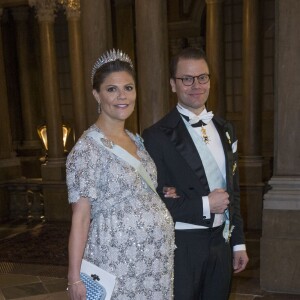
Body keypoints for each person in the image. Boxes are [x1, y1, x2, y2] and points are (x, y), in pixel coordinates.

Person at [66, 49, 176, 300]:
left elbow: (137, 190)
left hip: (155, 261)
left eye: (128, 88)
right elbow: (80, 217)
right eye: (111, 89)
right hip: (115, 261)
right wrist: (74, 277)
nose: (122, 96)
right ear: (97, 94)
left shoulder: (136, 140)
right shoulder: (87, 149)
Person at [142, 47, 249, 300]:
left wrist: (238, 242)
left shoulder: (226, 129)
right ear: (172, 84)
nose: (196, 85)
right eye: (186, 79)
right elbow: (156, 199)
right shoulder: (156, 136)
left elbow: (233, 190)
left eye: (202, 77)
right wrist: (205, 204)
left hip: (221, 243)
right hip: (183, 245)